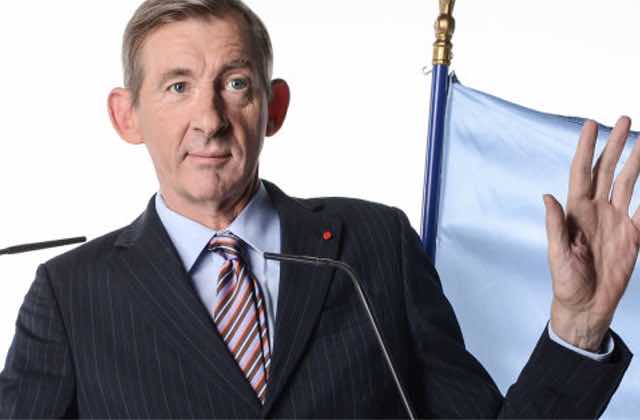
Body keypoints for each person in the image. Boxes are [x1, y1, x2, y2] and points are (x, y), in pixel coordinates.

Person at [0, 0, 635, 417]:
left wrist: (578, 328)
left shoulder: (375, 244)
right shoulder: (69, 293)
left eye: (235, 83)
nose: (209, 119)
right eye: (178, 86)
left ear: (273, 107)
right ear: (127, 116)